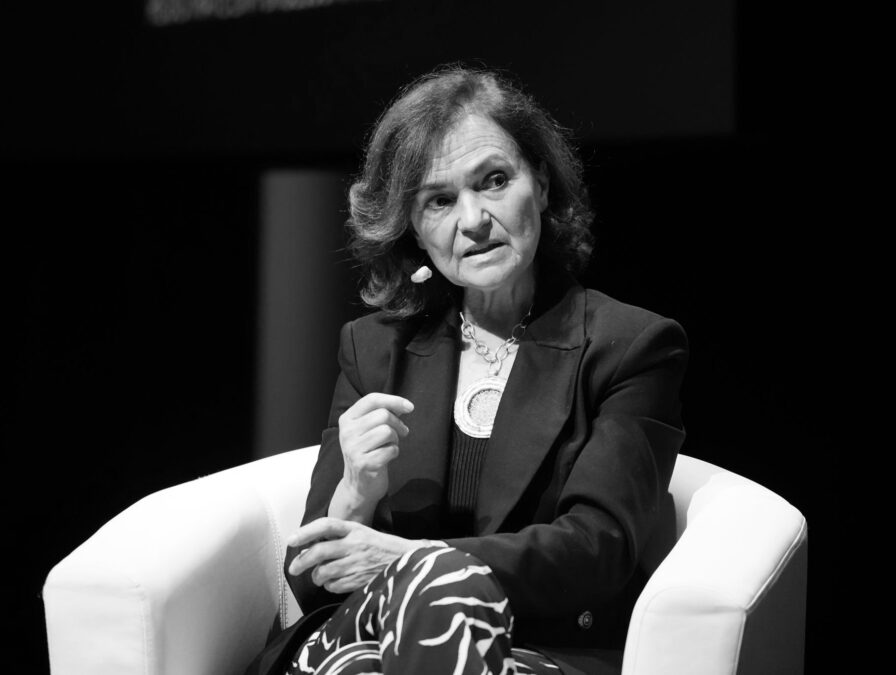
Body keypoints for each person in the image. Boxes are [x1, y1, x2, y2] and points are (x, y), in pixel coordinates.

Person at [247, 65, 688, 675]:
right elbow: (314, 581)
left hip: (533, 649)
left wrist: (412, 560)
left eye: (495, 181)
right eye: (440, 200)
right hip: (363, 640)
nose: (474, 219)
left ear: (542, 184)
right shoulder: (373, 350)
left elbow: (598, 549)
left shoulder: (631, 346)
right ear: (415, 233)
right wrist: (355, 492)